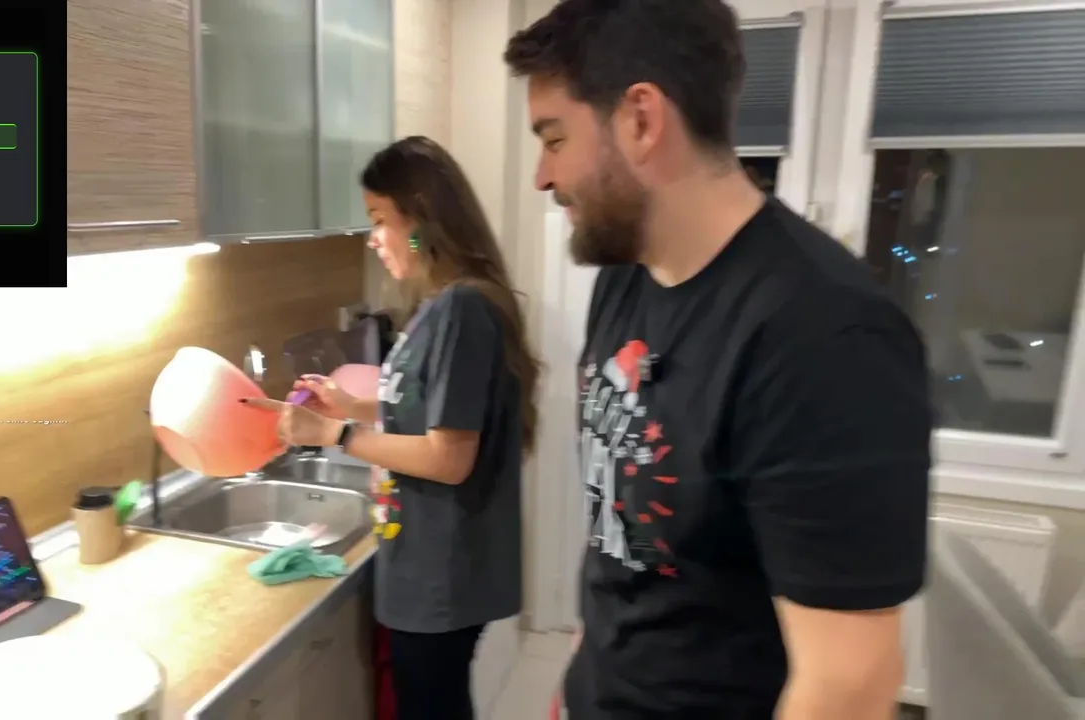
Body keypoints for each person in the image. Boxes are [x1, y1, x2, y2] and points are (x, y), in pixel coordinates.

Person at [503, 1, 931, 719]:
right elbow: (627, 536)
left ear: (641, 119)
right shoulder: (627, 275)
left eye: (554, 137)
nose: (543, 177)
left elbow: (850, 682)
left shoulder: (824, 336)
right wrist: (582, 673)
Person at [243, 135, 540, 720]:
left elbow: (449, 457)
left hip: (440, 575)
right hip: (431, 569)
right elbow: (429, 408)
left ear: (420, 219)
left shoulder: (461, 310)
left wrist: (334, 436)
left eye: (380, 219)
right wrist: (350, 407)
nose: (372, 238)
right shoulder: (440, 306)